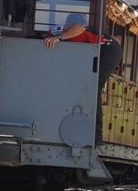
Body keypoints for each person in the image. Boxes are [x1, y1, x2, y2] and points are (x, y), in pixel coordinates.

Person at [43, 12, 123, 144]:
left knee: (93, 89)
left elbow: (79, 28)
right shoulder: (58, 31)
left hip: (110, 51)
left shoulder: (73, 30)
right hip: (99, 51)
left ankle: (97, 137)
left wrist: (59, 38)